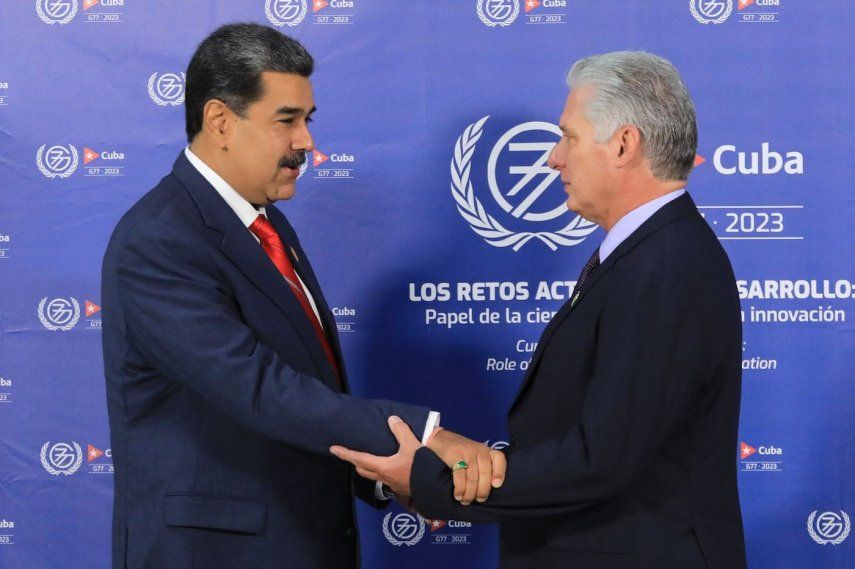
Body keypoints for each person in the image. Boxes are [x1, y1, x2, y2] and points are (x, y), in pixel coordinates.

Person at [101, 23, 503, 569]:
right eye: (286, 120)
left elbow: (307, 394)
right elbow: (259, 390)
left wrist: (389, 474)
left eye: (307, 121)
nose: (306, 142)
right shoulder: (160, 238)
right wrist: (425, 438)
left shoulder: (268, 225)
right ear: (219, 120)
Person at [332, 51, 747, 568]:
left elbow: (601, 460)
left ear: (624, 144)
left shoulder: (665, 266)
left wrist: (434, 483)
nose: (553, 157)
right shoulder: (648, 255)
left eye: (569, 136)